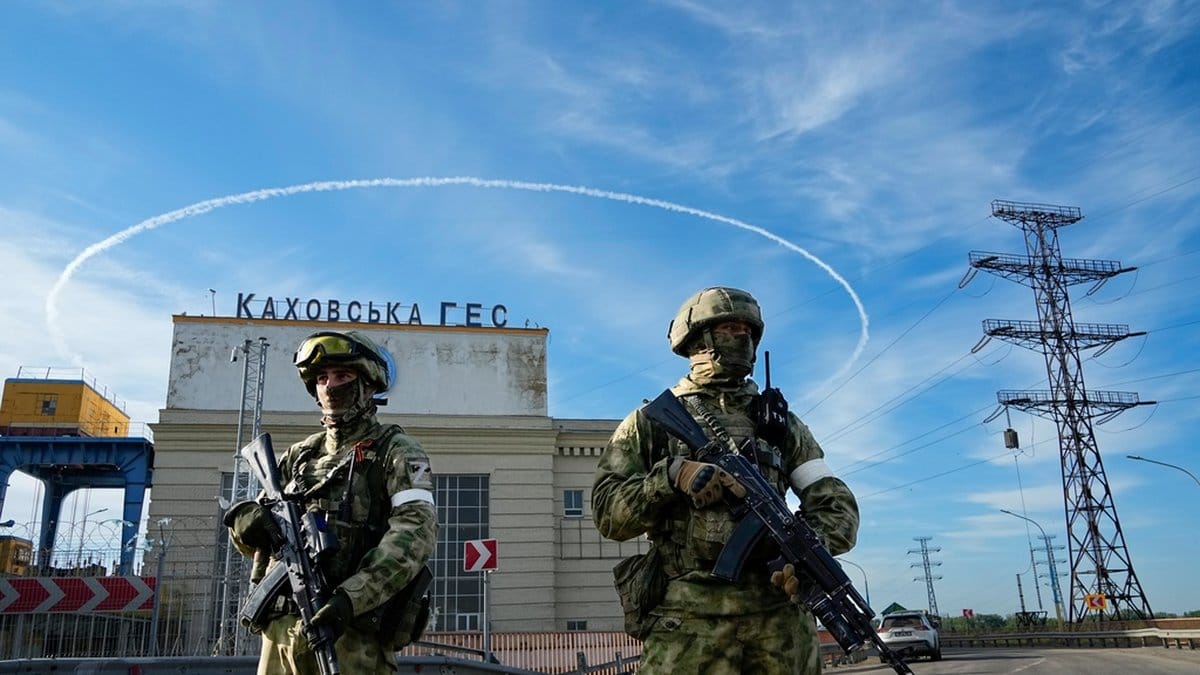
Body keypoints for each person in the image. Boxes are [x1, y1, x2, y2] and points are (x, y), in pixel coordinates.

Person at [593, 287, 860, 674]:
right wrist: (670, 477)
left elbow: (838, 508)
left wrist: (802, 553)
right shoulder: (649, 423)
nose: (742, 338)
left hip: (780, 624)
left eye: (748, 331)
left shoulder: (781, 424)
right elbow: (608, 513)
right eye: (729, 328)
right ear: (698, 339)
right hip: (689, 624)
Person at [225, 329, 438, 674]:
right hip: (280, 636)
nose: (330, 386)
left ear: (367, 383)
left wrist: (351, 598)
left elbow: (415, 534)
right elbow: (255, 539)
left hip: (350, 636)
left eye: (342, 376)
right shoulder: (299, 455)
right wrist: (246, 524)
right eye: (322, 378)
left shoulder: (396, 451)